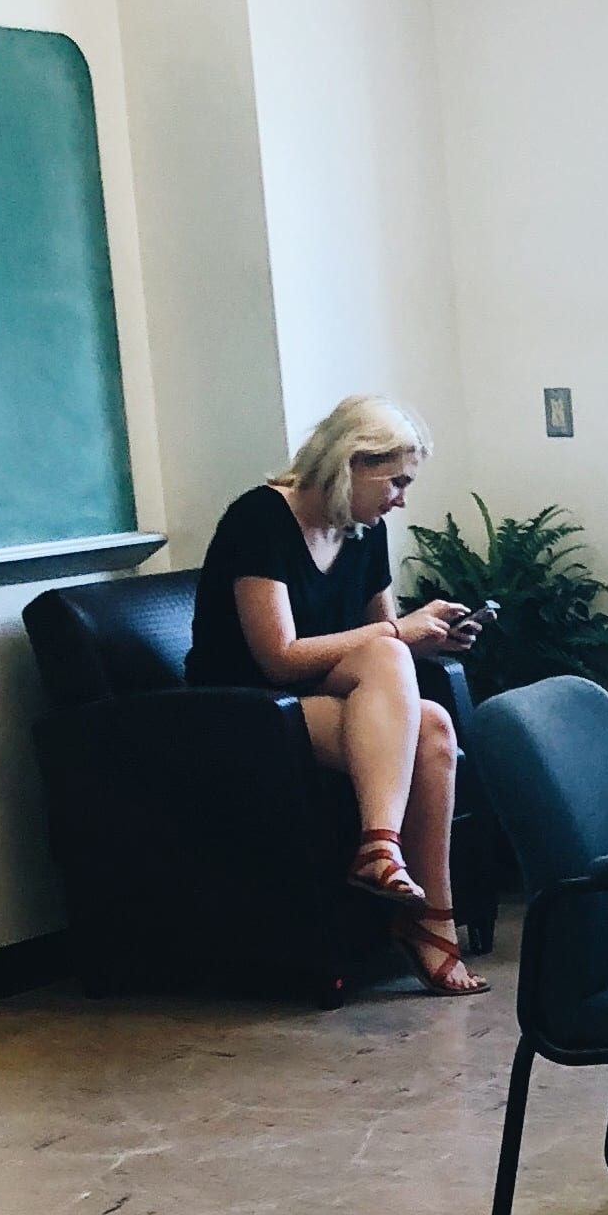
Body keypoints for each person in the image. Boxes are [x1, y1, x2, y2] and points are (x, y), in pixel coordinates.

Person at [187, 395, 486, 995]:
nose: (401, 497)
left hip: (318, 698)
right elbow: (277, 658)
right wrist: (399, 634)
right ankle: (390, 864)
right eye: (395, 480)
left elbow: (382, 641)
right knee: (393, 658)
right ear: (353, 462)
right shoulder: (260, 518)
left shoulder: (364, 528)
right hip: (242, 709)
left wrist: (429, 638)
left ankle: (422, 906)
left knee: (433, 728)